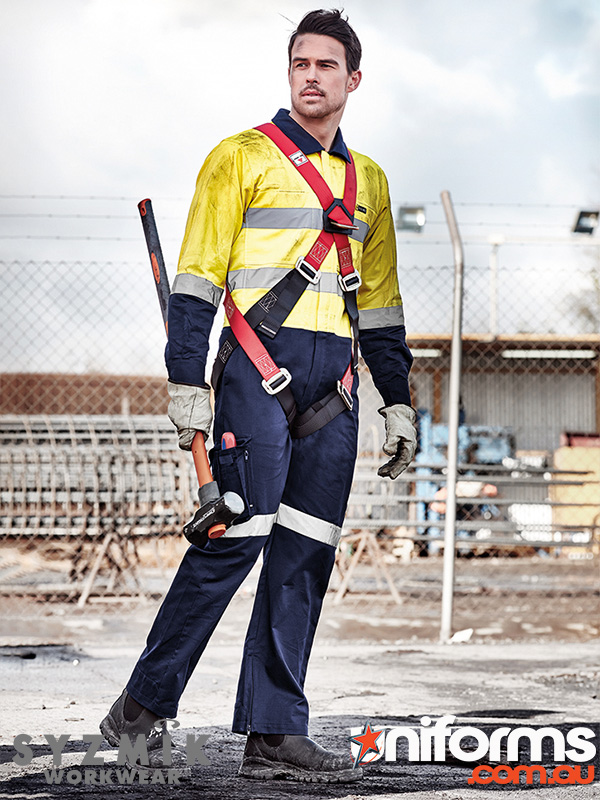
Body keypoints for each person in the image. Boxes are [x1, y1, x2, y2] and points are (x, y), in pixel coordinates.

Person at [101, 8, 417, 783]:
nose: (311, 75)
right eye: (299, 63)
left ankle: (274, 733)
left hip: (336, 392)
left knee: (304, 556)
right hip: (253, 374)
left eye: (326, 65)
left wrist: (397, 398)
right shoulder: (238, 157)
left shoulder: (368, 182)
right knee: (233, 543)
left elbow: (379, 305)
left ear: (353, 79)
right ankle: (140, 708)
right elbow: (198, 276)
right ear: (290, 72)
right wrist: (184, 378)